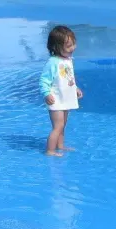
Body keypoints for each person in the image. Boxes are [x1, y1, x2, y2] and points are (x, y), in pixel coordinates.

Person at [40, 25, 83, 157]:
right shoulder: (53, 62)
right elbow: (44, 80)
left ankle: (60, 145)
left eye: (73, 44)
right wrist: (46, 93)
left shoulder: (68, 60)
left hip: (65, 97)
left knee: (63, 125)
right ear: (56, 47)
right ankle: (50, 151)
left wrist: (75, 88)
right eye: (69, 46)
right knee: (57, 126)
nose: (73, 48)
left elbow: (68, 78)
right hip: (56, 99)